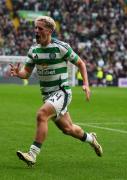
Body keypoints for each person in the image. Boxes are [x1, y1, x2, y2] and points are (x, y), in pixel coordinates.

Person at [9, 16, 103, 166]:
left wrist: (86, 84)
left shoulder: (61, 47)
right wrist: (18, 73)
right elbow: (26, 73)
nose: (36, 31)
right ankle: (92, 139)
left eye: (40, 28)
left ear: (50, 30)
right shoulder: (34, 50)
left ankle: (32, 154)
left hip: (62, 92)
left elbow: (81, 63)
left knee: (41, 115)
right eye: (35, 28)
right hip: (47, 96)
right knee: (68, 129)